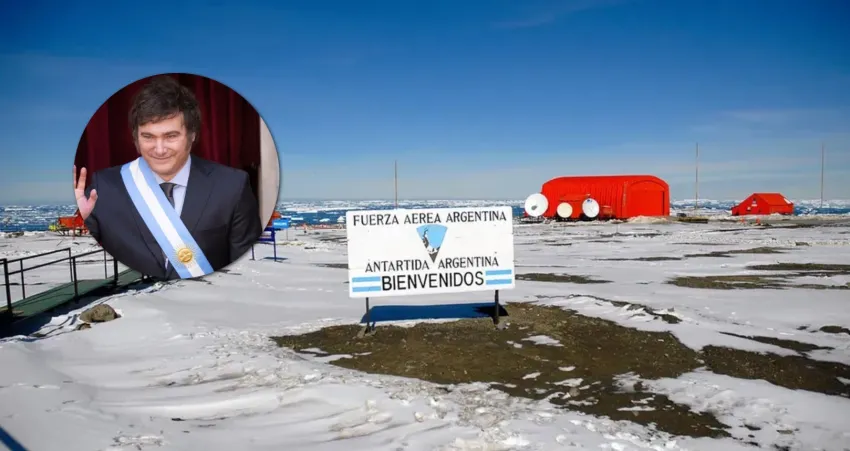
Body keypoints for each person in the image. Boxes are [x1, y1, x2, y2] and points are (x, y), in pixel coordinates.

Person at [73, 76, 262, 280]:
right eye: (148, 137)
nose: (160, 149)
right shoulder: (104, 187)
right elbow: (81, 262)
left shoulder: (232, 186)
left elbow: (248, 268)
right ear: (135, 137)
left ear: (192, 135)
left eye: (171, 136)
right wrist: (78, 224)